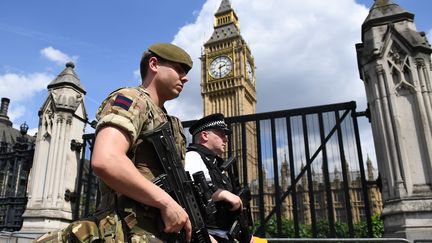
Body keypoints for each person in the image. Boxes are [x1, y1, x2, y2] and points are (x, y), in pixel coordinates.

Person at [91, 42, 193, 242]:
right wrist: (166, 202)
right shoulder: (131, 99)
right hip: (126, 230)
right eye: (179, 69)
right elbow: (107, 159)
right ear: (154, 64)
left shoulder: (169, 122)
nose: (185, 77)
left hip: (158, 232)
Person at [184, 113, 244, 243]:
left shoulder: (214, 163)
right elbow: (190, 194)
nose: (226, 139)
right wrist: (223, 194)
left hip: (225, 235)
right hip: (208, 236)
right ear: (205, 135)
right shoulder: (194, 157)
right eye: (221, 134)